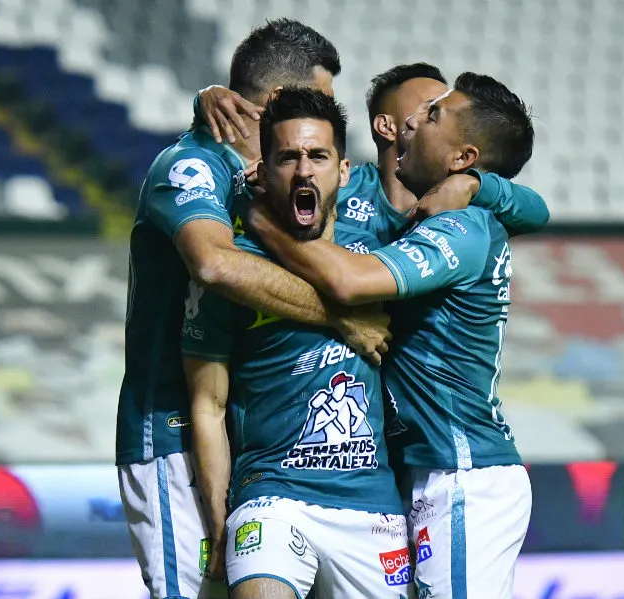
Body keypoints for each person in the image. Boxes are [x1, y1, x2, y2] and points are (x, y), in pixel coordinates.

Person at [116, 20, 391, 599]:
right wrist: (338, 315)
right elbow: (215, 266)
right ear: (271, 105)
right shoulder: (191, 167)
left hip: (250, 441)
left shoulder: (268, 181)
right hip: (173, 433)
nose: (319, 117)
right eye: (317, 99)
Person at [249, 73, 537, 599]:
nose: (413, 120)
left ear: (461, 157)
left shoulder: (462, 228)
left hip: (463, 471)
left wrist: (259, 220)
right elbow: (534, 209)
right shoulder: (423, 212)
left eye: (432, 115)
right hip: (426, 471)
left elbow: (347, 280)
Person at [184, 88, 412, 599]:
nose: (304, 170)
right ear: (262, 173)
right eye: (288, 156)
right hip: (272, 498)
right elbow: (208, 403)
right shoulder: (236, 271)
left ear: (345, 170)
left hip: (372, 506)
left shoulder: (378, 253)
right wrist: (220, 524)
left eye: (318, 156)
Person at [198, 64, 549, 248]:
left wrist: (474, 183)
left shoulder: (467, 203)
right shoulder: (341, 183)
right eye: (429, 108)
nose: (423, 118)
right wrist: (205, 100)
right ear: (387, 126)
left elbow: (536, 212)